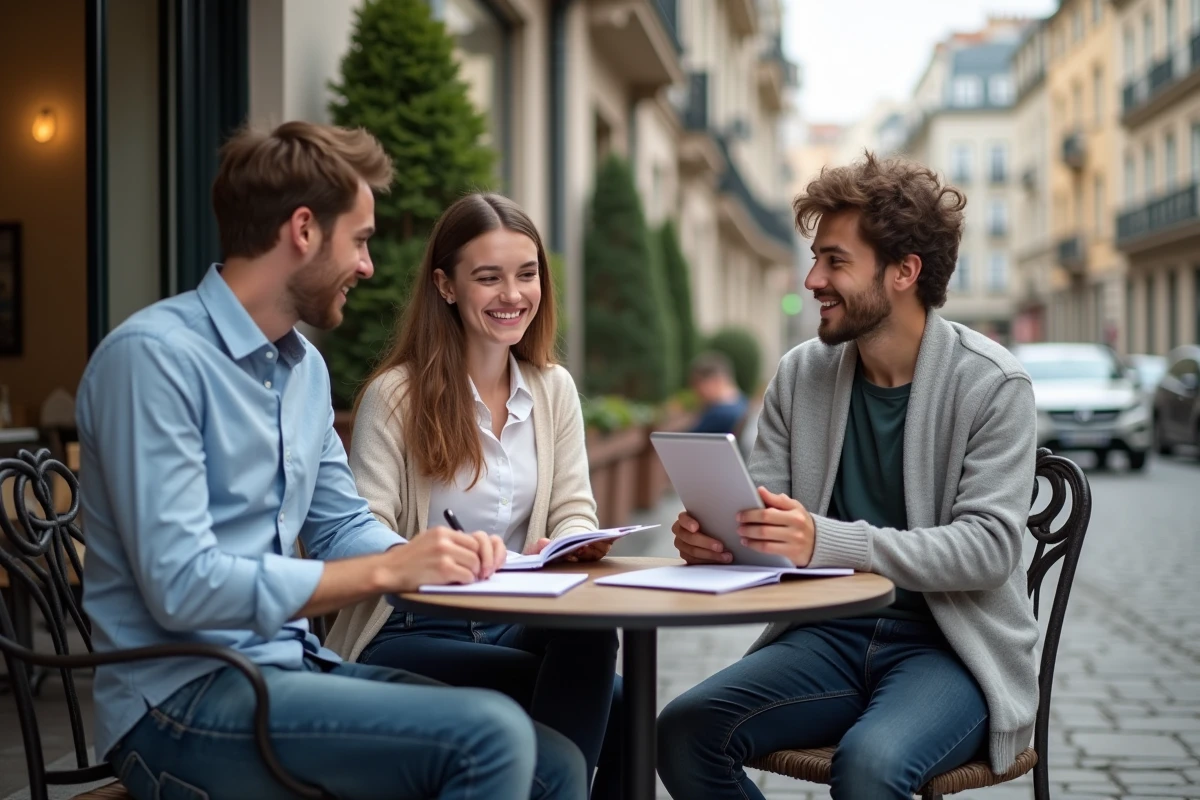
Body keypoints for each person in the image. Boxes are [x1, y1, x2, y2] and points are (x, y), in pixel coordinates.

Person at [77, 121, 586, 800]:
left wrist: (435, 554)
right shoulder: (153, 360)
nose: (369, 267)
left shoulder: (303, 371)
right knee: (491, 733)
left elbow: (344, 525)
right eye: (362, 240)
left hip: (288, 667)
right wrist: (386, 566)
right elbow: (183, 586)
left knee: (554, 764)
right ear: (304, 230)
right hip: (179, 700)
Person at [656, 152, 1040, 799]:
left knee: (869, 767)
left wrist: (827, 541)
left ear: (904, 272)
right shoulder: (800, 374)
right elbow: (772, 526)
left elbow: (990, 547)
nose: (811, 279)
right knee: (683, 731)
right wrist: (719, 542)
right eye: (815, 258)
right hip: (826, 639)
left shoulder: (993, 384)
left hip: (951, 650)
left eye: (835, 261)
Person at [325, 192, 621, 797]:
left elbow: (573, 507)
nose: (513, 295)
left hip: (519, 618)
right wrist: (428, 557)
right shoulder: (397, 396)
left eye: (527, 274)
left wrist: (568, 544)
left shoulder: (553, 389)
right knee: (615, 704)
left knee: (595, 639)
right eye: (489, 278)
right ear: (447, 286)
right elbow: (364, 529)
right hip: (413, 630)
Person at [687, 351, 749, 435]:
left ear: (714, 381)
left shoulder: (719, 414)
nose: (695, 392)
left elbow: (687, 438)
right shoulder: (743, 402)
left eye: (697, 384)